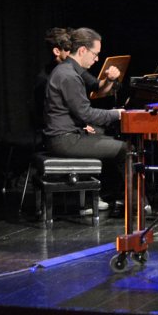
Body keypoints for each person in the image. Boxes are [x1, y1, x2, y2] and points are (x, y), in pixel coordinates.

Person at [43, 26, 128, 211]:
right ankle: (135, 203)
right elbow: (86, 114)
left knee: (110, 139)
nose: (96, 59)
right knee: (126, 149)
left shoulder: (68, 70)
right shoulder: (68, 75)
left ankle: (113, 195)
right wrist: (117, 114)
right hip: (64, 141)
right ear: (82, 50)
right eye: (95, 54)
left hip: (66, 136)